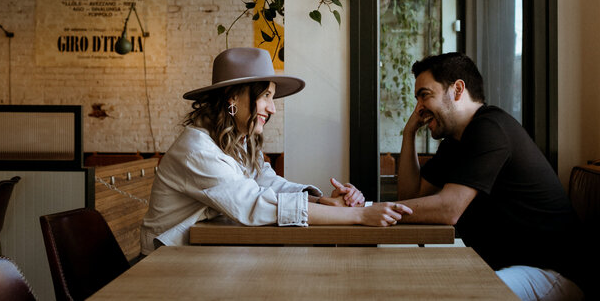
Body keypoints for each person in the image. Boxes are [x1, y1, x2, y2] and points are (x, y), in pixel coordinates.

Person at [140, 47, 411, 255]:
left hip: (204, 255)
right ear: (233, 98)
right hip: (164, 266)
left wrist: (324, 202)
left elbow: (267, 184)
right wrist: (359, 215)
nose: (272, 108)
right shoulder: (197, 150)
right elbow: (254, 205)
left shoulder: (237, 140)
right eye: (266, 96)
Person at [395, 52, 583, 301]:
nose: (419, 108)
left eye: (425, 96)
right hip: (507, 268)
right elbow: (410, 198)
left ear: (457, 89)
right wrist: (408, 133)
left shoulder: (490, 129)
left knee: (464, 296)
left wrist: (368, 212)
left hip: (551, 272)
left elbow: (448, 209)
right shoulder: (455, 143)